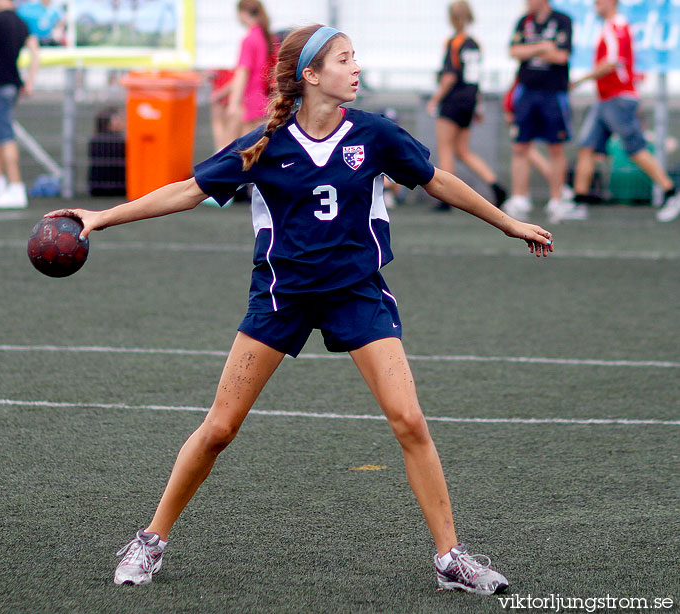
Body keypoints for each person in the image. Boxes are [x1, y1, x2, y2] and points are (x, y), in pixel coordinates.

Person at [46, 24, 553, 596]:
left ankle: (451, 557)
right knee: (219, 429)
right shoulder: (265, 143)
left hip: (356, 293)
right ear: (310, 75)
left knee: (410, 420)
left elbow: (438, 181)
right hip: (281, 297)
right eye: (344, 59)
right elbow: (188, 190)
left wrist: (508, 223)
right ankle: (150, 540)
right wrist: (100, 218)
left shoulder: (376, 135)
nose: (356, 68)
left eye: (355, 57)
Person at [570, 0, 680, 222]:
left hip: (617, 98)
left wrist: (579, 80)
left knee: (635, 149)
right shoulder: (611, 26)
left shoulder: (616, 26)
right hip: (606, 99)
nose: (595, 5)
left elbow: (611, 63)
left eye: (599, 1)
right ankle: (578, 202)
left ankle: (671, 193)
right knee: (587, 147)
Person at [502, 0, 585, 223]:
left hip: (553, 93)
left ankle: (557, 200)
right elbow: (514, 51)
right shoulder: (523, 22)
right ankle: (520, 198)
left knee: (555, 147)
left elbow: (561, 56)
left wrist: (530, 52)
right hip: (526, 92)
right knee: (520, 146)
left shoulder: (562, 21)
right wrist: (541, 48)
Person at [427, 0, 507, 212]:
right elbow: (476, 78)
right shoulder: (475, 43)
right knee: (462, 150)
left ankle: (446, 198)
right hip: (469, 100)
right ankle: (496, 186)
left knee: (445, 148)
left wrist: (435, 99)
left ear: (452, 18)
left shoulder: (454, 42)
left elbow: (450, 77)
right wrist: (477, 104)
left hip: (453, 100)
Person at [0, 0, 39, 209]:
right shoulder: (22, 22)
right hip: (13, 86)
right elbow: (35, 53)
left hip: (0, 87)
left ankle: (16, 188)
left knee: (4, 136)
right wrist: (30, 82)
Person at [219, 0, 277, 149]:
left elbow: (243, 73)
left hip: (253, 103)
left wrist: (233, 103)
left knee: (249, 151)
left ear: (243, 14)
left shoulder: (249, 39)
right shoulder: (269, 38)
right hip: (268, 101)